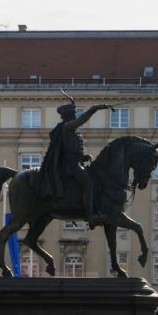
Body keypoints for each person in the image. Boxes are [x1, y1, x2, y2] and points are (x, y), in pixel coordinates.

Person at [37, 98, 111, 228]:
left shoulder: (71, 131)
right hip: (69, 166)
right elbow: (81, 121)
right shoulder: (67, 127)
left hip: (75, 163)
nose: (74, 117)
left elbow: (72, 150)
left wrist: (83, 157)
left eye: (74, 115)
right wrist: (94, 109)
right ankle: (90, 215)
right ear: (68, 116)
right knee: (88, 182)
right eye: (73, 115)